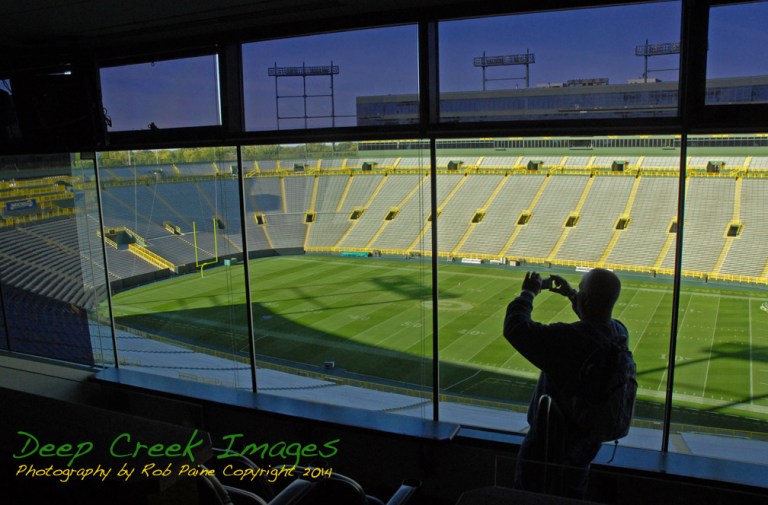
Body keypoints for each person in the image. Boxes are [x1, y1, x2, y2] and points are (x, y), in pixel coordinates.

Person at [503, 268, 628, 499]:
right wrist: (572, 294)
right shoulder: (619, 333)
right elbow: (594, 320)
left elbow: (516, 328)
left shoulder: (569, 339)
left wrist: (527, 293)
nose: (577, 294)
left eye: (580, 290)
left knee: (530, 497)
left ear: (586, 299)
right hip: (585, 445)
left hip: (547, 445)